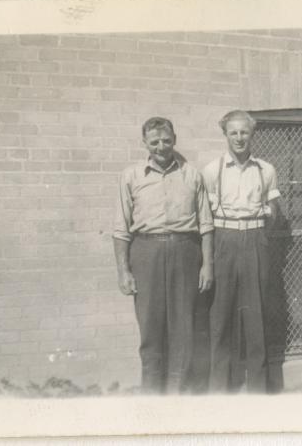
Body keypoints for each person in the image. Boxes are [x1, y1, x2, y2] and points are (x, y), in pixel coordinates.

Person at [113, 116, 214, 394]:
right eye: (155, 141)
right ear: (145, 142)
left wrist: (208, 265)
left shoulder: (192, 174)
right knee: (151, 327)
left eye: (166, 140)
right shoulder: (131, 176)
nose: (161, 146)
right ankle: (152, 397)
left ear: (175, 140)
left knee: (184, 329)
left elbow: (206, 225)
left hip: (185, 252)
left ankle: (178, 395)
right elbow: (120, 228)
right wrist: (124, 270)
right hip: (147, 253)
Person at [202, 110, 281, 393]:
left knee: (256, 314)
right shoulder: (212, 171)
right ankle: (219, 389)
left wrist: (258, 232)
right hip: (224, 239)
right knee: (220, 315)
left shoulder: (265, 169)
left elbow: (274, 211)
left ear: (252, 134)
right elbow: (205, 215)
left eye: (244, 132)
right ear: (225, 135)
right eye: (233, 133)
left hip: (255, 239)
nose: (239, 138)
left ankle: (258, 390)